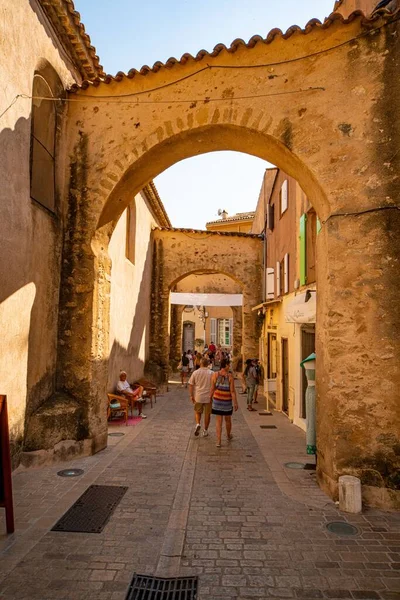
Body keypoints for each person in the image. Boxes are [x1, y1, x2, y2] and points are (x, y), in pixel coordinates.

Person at [210, 358, 238, 447]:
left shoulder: (215, 375)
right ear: (225, 365)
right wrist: (235, 403)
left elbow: (212, 388)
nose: (229, 366)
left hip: (217, 401)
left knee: (218, 421)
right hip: (226, 401)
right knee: (228, 420)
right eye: (228, 365)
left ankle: (218, 441)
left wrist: (210, 398)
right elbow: (232, 391)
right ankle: (228, 435)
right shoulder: (230, 377)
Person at [189, 357, 213, 437]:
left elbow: (191, 385)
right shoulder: (211, 373)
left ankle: (198, 423)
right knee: (207, 414)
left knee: (197, 411)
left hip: (198, 396)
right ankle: (205, 430)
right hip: (208, 397)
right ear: (207, 364)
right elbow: (214, 385)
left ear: (200, 363)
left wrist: (191, 395)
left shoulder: (195, 373)